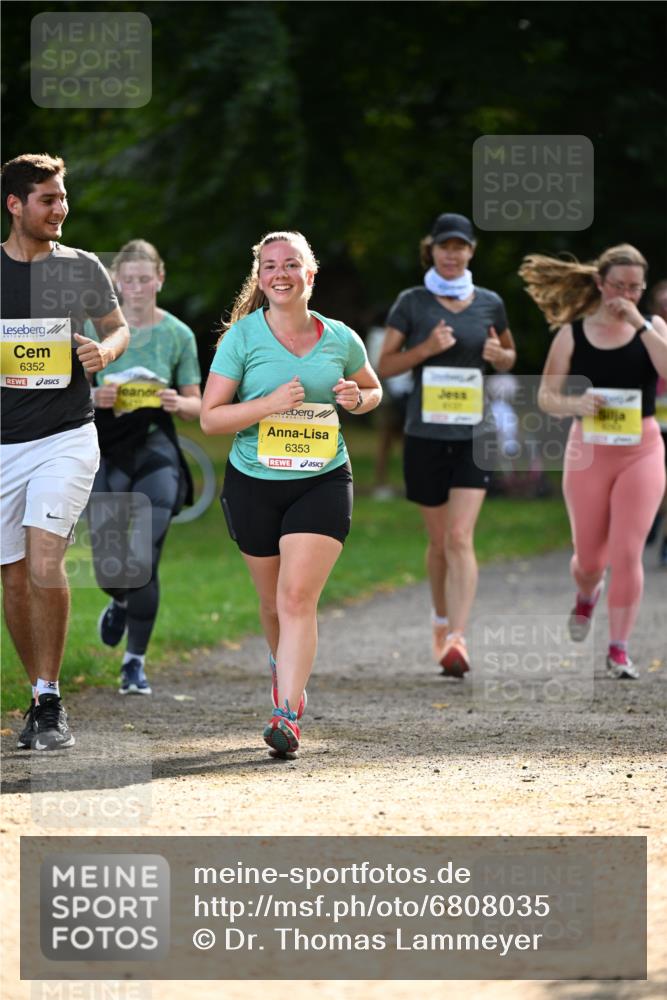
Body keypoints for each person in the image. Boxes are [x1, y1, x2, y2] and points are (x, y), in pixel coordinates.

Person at [200, 230, 381, 756]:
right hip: (254, 482)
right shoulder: (242, 338)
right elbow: (211, 418)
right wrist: (269, 403)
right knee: (272, 602)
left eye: (291, 264)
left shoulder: (341, 338)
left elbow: (372, 389)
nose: (280, 274)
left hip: (322, 479)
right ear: (260, 277)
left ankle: (286, 713)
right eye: (269, 266)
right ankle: (285, 669)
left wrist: (357, 398)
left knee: (297, 597)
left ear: (310, 273)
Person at [1, 153, 129, 749]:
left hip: (66, 436)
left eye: (63, 198)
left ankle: (51, 701)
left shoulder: (81, 267)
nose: (61, 209)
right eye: (48, 199)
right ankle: (38, 696)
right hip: (4, 443)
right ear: (15, 205)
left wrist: (105, 353)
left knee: (45, 557)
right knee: (13, 575)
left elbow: (118, 326)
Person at [378, 212, 516, 676]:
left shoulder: (490, 303)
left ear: (471, 252)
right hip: (425, 436)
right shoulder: (412, 302)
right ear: (431, 250)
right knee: (438, 542)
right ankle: (440, 621)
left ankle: (458, 636)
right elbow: (385, 365)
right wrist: (426, 350)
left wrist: (501, 357)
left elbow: (509, 355)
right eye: (445, 247)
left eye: (461, 247)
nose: (452, 254)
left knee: (460, 537)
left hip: (475, 435)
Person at [520, 244, 667, 678]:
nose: (625, 294)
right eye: (618, 285)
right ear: (600, 283)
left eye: (635, 288)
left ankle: (618, 648)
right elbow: (546, 396)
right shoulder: (573, 333)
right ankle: (587, 594)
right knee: (589, 560)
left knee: (627, 552)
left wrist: (640, 323)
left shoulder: (652, 327)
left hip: (642, 448)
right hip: (589, 451)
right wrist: (575, 403)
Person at [87, 239, 202, 695]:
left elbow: (198, 404)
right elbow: (62, 392)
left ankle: (134, 663)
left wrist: (180, 402)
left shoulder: (178, 335)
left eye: (144, 278)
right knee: (110, 567)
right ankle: (117, 601)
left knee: (144, 557)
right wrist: (93, 396)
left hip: (156, 449)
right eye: (128, 279)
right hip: (107, 450)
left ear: (160, 278)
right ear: (117, 282)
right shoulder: (93, 328)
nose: (136, 287)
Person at [643, 280, 667, 564]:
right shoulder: (645, 329)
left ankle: (662, 536)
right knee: (659, 483)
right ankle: (655, 521)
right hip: (652, 422)